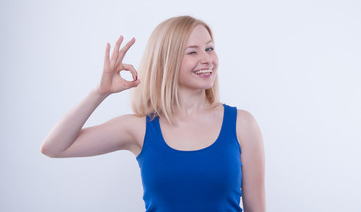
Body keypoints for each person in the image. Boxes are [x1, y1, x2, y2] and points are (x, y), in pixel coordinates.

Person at [41, 15, 266, 212]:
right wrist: (100, 92)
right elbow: (55, 147)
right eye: (192, 52)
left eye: (209, 48)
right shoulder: (139, 128)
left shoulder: (242, 125)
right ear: (167, 61)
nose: (207, 59)